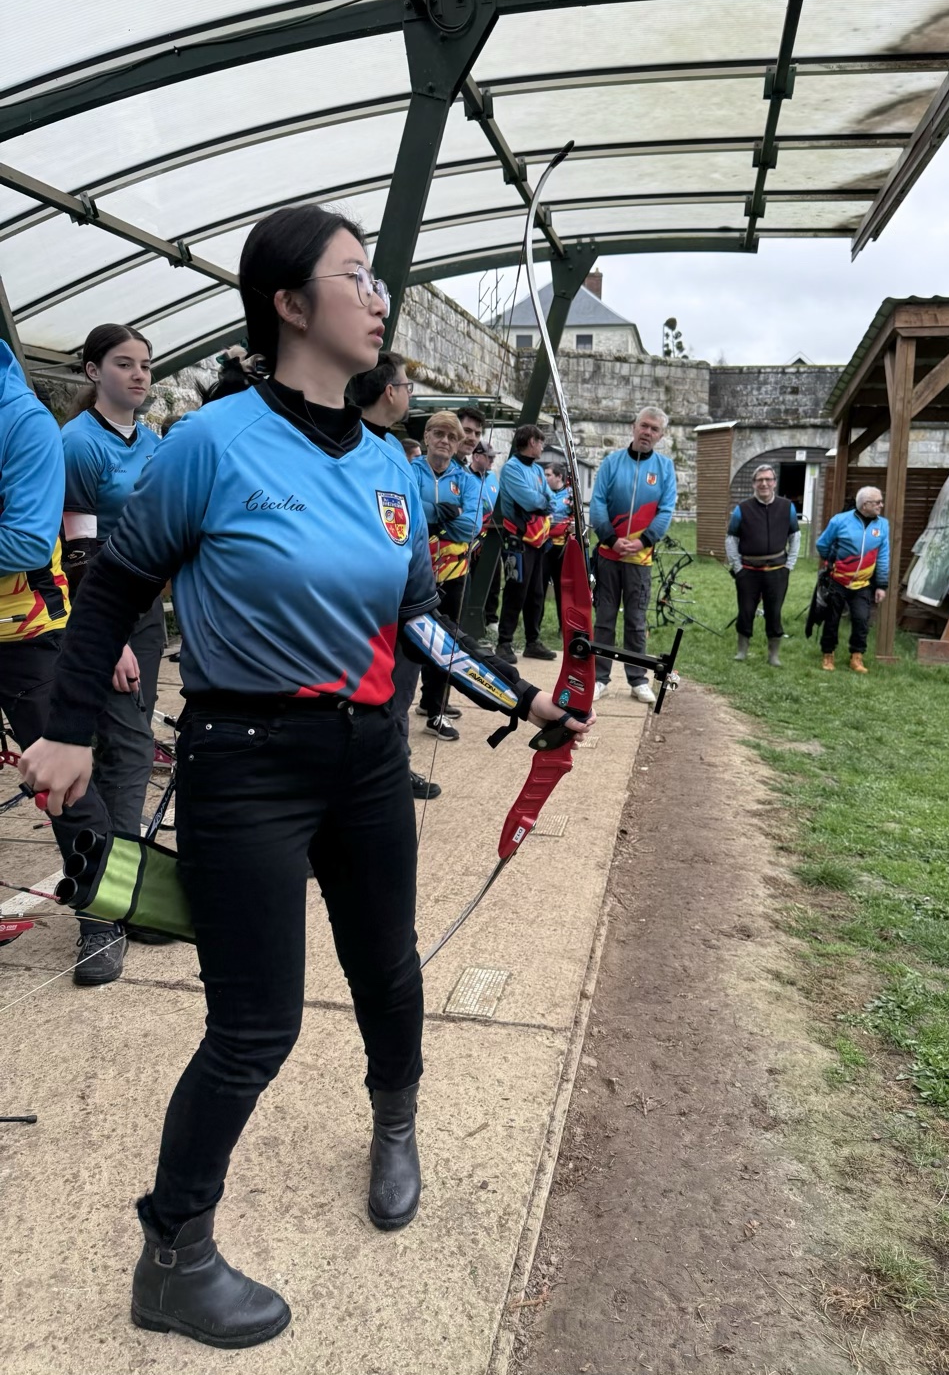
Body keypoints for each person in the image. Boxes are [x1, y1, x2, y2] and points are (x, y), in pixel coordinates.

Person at [19, 203, 592, 1350]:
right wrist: (71, 728)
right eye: (355, 277)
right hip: (244, 765)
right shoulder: (210, 443)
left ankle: (395, 1124)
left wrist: (519, 697)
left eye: (377, 279)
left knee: (387, 969)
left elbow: (420, 624)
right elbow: (117, 586)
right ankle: (173, 1259)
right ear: (288, 304)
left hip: (369, 760)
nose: (378, 297)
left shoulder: (390, 466)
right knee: (253, 1028)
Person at [0, 341, 114, 973]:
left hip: (25, 632)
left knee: (61, 780)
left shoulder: (21, 419)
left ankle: (102, 915)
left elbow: (24, 540)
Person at [61, 322, 169, 979]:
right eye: (124, 363)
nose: (138, 375)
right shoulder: (78, 444)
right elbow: (76, 552)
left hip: (147, 614)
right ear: (92, 371)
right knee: (121, 754)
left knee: (128, 751)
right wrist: (110, 639)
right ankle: (103, 914)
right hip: (102, 613)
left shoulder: (152, 442)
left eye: (146, 365)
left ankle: (122, 895)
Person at [350, 352, 438, 798]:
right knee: (380, 695)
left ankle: (393, 766)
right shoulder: (349, 444)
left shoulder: (390, 449)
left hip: (403, 598)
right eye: (406, 386)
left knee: (401, 689)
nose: (409, 394)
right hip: (372, 606)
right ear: (389, 392)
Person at [589, 407, 677, 703]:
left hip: (640, 559)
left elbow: (666, 509)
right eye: (644, 426)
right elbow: (597, 503)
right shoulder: (611, 463)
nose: (647, 432)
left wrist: (644, 541)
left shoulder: (665, 468)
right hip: (608, 555)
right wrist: (611, 539)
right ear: (633, 426)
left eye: (654, 429)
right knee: (604, 618)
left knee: (636, 621)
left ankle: (638, 679)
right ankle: (599, 678)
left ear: (661, 435)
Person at [410, 411, 481, 741]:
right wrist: (443, 512)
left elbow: (472, 525)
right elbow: (407, 511)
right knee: (407, 642)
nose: (445, 441)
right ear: (426, 437)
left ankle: (434, 709)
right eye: (439, 434)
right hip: (414, 572)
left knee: (446, 642)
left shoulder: (466, 480)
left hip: (454, 573)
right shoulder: (409, 472)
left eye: (452, 437)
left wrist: (432, 518)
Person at [725, 464, 800, 667]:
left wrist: (789, 565)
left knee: (774, 612)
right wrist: (738, 567)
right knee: (746, 610)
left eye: (768, 479)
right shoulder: (742, 509)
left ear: (774, 483)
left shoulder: (787, 507)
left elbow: (795, 536)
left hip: (777, 571)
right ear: (754, 484)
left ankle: (773, 655)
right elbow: (731, 539)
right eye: (760, 480)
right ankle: (742, 651)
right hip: (748, 572)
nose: (764, 483)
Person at [495, 424, 557, 665]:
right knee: (515, 590)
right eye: (541, 442)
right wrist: (542, 503)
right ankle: (504, 642)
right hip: (518, 541)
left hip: (537, 540)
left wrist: (542, 503)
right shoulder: (512, 468)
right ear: (532, 441)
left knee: (536, 592)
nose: (542, 447)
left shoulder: (537, 470)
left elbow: (551, 499)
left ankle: (533, 641)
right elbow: (530, 500)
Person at [815, 486, 889, 673]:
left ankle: (857, 657)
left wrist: (881, 585)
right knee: (832, 620)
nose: (881, 505)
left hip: (862, 584)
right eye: (877, 502)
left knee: (861, 619)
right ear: (865, 505)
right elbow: (822, 544)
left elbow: (883, 556)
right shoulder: (840, 521)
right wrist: (831, 560)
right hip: (837, 581)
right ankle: (828, 654)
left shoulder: (883, 525)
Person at [470, 439, 501, 648]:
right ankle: (473, 616)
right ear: (476, 456)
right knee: (473, 577)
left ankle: (491, 618)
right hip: (474, 538)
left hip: (492, 536)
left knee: (494, 578)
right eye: (488, 457)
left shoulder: (492, 478)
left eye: (493, 458)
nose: (492, 461)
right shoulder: (465, 476)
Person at [541, 461, 572, 634]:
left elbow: (574, 521)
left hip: (562, 549)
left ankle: (564, 627)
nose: (545, 478)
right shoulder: (543, 492)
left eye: (548, 475)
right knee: (539, 588)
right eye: (544, 475)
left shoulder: (570, 495)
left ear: (559, 476)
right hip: (544, 546)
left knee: (562, 590)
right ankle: (535, 628)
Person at [454, 404, 485, 468]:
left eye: (477, 434)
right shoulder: (438, 466)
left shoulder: (465, 471)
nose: (473, 438)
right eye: (467, 430)